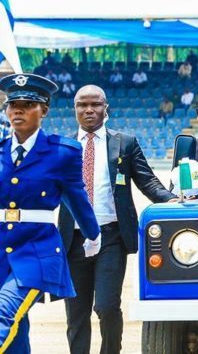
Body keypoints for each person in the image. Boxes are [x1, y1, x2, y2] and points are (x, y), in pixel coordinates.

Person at [59, 85, 175, 354]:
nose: (89, 110)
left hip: (111, 237)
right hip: (73, 239)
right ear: (74, 109)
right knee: (76, 312)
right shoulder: (62, 147)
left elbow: (148, 181)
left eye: (95, 104)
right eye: (82, 105)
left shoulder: (125, 143)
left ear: (106, 108)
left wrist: (170, 200)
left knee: (107, 306)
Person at [0, 73, 100, 353]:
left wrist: (93, 235)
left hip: (36, 250)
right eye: (12, 104)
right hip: (0, 251)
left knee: (3, 313)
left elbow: (76, 197)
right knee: (16, 327)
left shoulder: (62, 152)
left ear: (43, 110)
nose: (17, 109)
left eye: (27, 104)